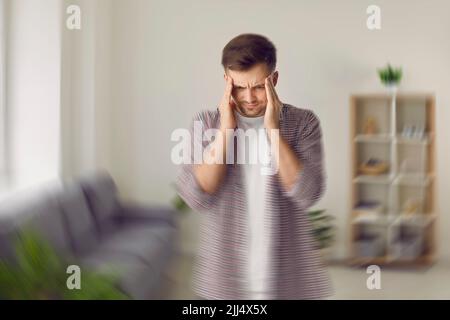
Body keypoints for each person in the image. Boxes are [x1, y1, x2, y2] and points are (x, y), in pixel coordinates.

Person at [176, 33, 332, 300]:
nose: (248, 97)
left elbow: (308, 194)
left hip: (288, 280)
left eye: (258, 86)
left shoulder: (303, 123)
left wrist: (273, 130)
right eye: (239, 87)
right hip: (225, 282)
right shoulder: (206, 123)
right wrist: (226, 130)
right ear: (226, 81)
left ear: (274, 80)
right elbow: (196, 197)